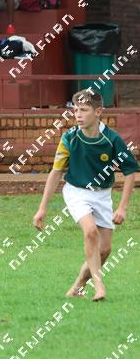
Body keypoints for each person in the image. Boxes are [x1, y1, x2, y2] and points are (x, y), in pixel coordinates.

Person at [33, 89, 138, 301]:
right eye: (75, 110)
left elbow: (130, 171)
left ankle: (78, 286)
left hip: (102, 195)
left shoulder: (112, 139)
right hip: (76, 192)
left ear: (98, 112)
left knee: (105, 250)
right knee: (90, 232)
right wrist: (42, 208)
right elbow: (56, 172)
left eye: (83, 110)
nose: (78, 115)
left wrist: (122, 207)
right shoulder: (69, 138)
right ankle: (99, 287)